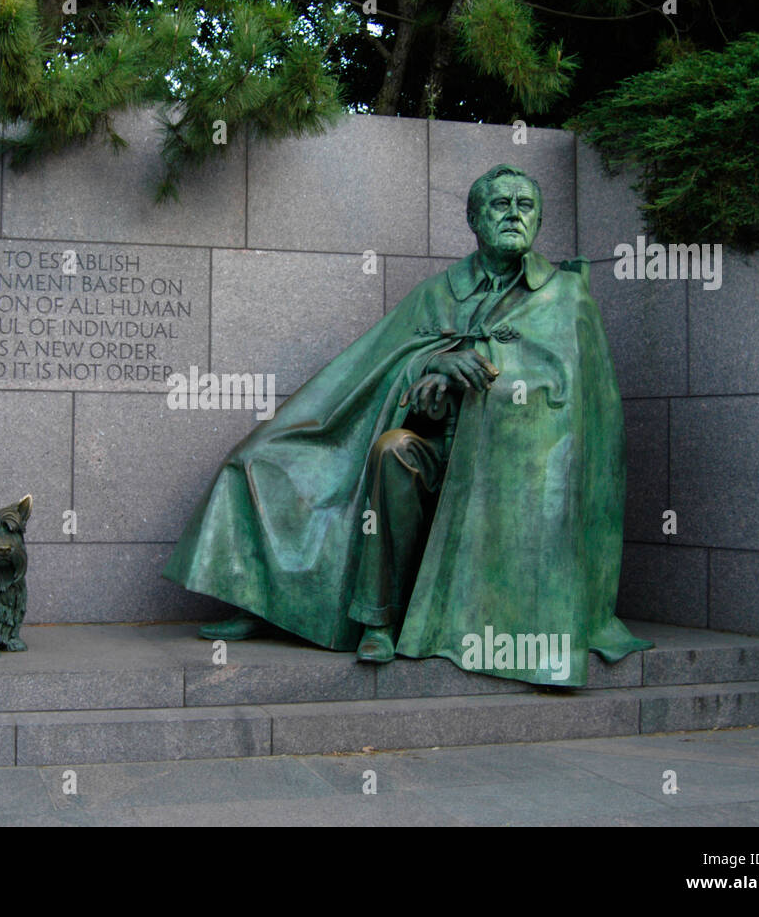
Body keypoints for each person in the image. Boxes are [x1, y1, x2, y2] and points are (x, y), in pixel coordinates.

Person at [163, 164, 652, 686]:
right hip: (436, 453)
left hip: (509, 472)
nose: (513, 214)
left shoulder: (565, 296)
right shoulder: (437, 293)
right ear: (473, 218)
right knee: (321, 454)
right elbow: (379, 365)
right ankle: (316, 607)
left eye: (524, 205)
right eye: (499, 204)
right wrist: (428, 369)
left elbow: (574, 408)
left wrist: (483, 376)